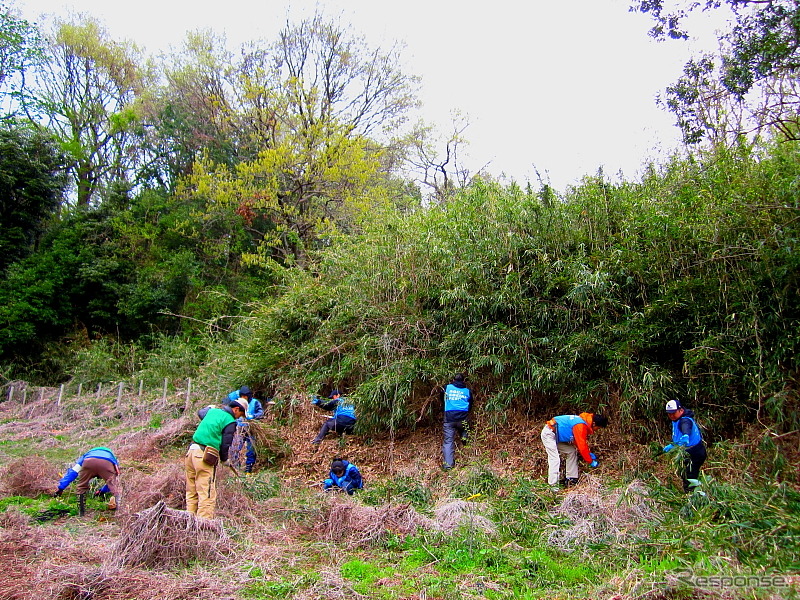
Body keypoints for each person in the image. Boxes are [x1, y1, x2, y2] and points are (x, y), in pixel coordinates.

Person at [185, 397, 247, 519]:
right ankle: (203, 528)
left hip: (191, 453)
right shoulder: (230, 421)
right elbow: (225, 444)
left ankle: (189, 523)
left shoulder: (212, 412)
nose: (240, 417)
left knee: (192, 492)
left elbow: (200, 413)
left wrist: (208, 407)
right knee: (206, 493)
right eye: (241, 414)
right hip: (203, 456)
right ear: (236, 409)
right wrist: (225, 459)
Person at [540, 412, 608, 489]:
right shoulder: (580, 425)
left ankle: (571, 479)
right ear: (594, 423)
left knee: (571, 451)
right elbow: (581, 445)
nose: (596, 430)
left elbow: (578, 442)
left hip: (555, 436)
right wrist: (590, 461)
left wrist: (588, 454)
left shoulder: (582, 422)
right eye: (598, 428)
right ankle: (553, 487)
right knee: (555, 459)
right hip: (549, 434)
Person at [53, 446, 120, 516]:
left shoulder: (86, 455)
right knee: (114, 487)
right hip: (107, 462)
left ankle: (81, 511)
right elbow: (115, 477)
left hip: (88, 462)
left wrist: (61, 488)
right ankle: (119, 511)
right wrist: (102, 491)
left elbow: (73, 472)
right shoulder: (112, 457)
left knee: (82, 486)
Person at [662, 399, 707, 492]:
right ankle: (691, 493)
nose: (671, 415)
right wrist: (673, 445)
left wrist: (686, 435)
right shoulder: (676, 419)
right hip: (687, 453)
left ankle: (692, 496)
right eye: (669, 413)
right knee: (685, 474)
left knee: (690, 476)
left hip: (695, 453)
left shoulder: (685, 420)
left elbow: (686, 427)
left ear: (681, 410)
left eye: (673, 413)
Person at [442, 373, 472, 469]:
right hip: (463, 418)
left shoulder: (447, 388)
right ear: (464, 381)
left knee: (448, 441)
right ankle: (464, 440)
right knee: (464, 428)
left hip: (449, 419)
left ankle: (448, 465)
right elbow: (470, 404)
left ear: (453, 380)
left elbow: (441, 398)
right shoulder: (467, 391)